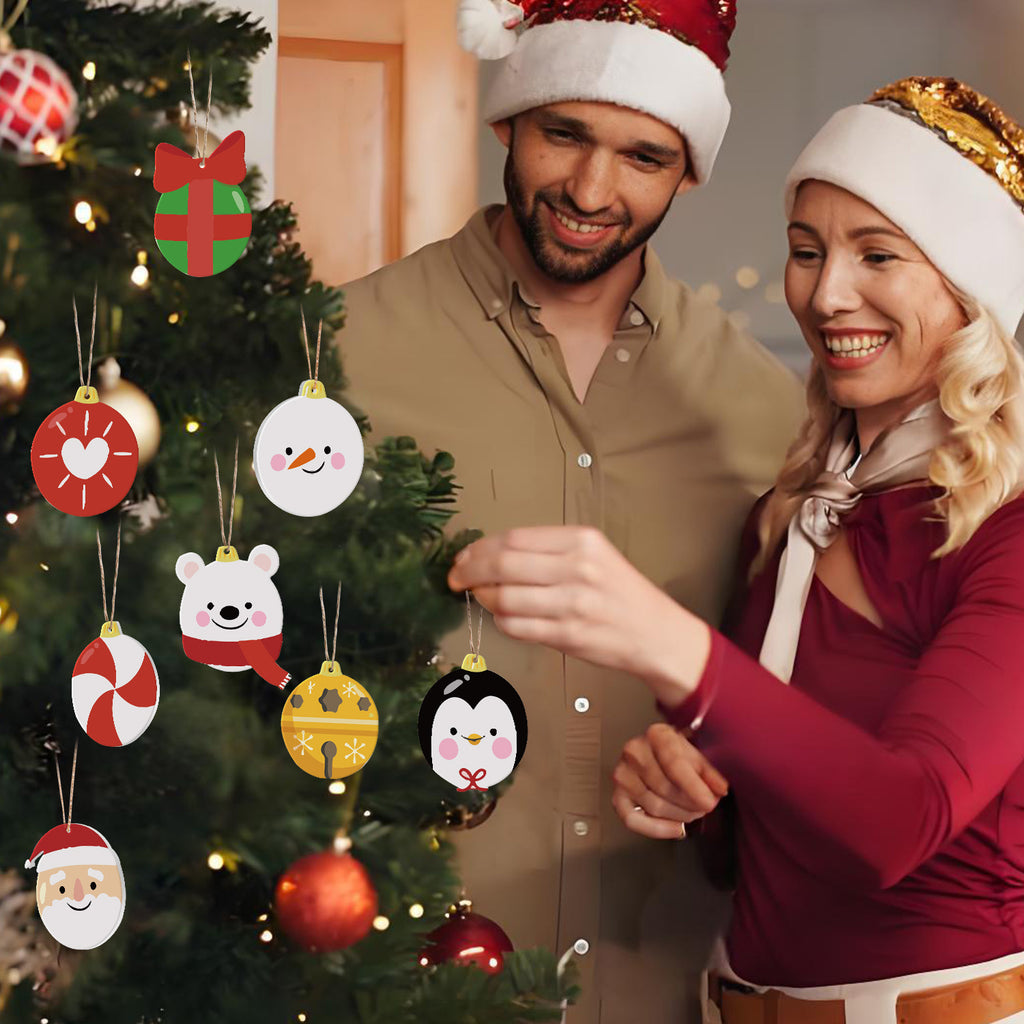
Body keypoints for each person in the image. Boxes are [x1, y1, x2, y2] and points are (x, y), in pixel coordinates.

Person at [447, 76, 1024, 1024]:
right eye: (807, 251)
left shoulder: (1004, 532)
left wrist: (668, 645)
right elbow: (767, 842)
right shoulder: (792, 516)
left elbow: (897, 822)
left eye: (877, 254)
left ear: (968, 291)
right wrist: (696, 795)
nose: (826, 292)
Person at [340, 1, 803, 1019]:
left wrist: (722, 777)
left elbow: (798, 708)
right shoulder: (338, 355)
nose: (593, 191)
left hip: (666, 981)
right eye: (565, 135)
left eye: (642, 156)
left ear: (686, 169)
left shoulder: (765, 414)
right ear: (508, 120)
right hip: (396, 977)